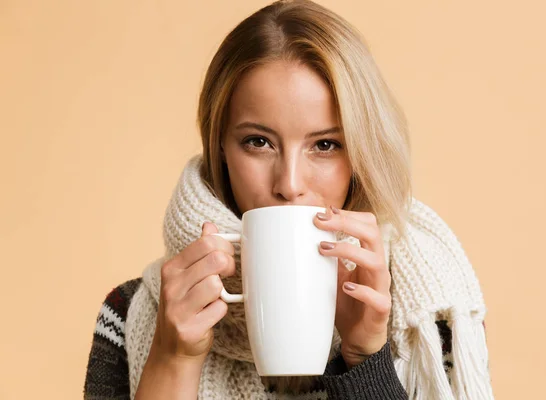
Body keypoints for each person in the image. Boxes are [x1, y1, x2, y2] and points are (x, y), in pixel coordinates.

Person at [84, 1, 494, 399]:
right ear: (220, 148)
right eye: (258, 142)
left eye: (326, 145)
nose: (290, 184)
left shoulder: (430, 317)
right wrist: (173, 360)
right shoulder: (133, 313)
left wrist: (366, 359)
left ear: (361, 154)